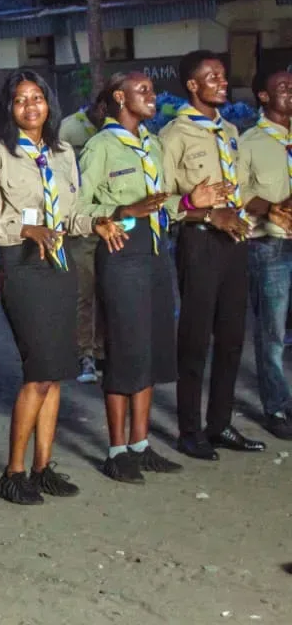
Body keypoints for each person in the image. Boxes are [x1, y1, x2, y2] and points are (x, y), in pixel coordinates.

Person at [0, 70, 124, 505]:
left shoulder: (61, 152)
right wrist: (28, 228)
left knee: (55, 374)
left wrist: (94, 220)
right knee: (37, 371)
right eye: (20, 100)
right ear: (9, 108)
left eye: (37, 97)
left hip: (59, 266)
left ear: (48, 104)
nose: (30, 106)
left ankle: (42, 468)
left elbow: (72, 212)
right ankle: (12, 472)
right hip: (22, 269)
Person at [79, 73, 226, 482]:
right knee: (124, 352)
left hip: (156, 252)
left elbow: (165, 205)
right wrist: (122, 212)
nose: (153, 96)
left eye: (152, 90)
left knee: (150, 350)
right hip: (121, 254)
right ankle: (117, 450)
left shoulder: (152, 143)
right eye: (143, 91)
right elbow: (75, 206)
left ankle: (141, 445)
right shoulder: (100, 147)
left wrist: (191, 201)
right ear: (119, 98)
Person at [160, 50, 266, 459]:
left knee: (233, 339)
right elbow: (160, 201)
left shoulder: (231, 132)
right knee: (195, 339)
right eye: (213, 76)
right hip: (199, 241)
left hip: (234, 242)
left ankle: (219, 425)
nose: (223, 82)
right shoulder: (173, 136)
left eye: (223, 75)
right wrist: (199, 207)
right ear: (192, 85)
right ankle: (190, 432)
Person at [238, 66, 292, 440]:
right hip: (270, 246)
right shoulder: (250, 142)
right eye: (284, 88)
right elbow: (238, 192)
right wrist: (273, 208)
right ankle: (276, 406)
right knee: (272, 331)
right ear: (263, 96)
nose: (291, 92)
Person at [60, 104, 106, 384]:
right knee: (84, 291)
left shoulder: (113, 130)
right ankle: (84, 353)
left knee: (107, 290)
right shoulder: (69, 128)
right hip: (82, 222)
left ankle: (102, 350)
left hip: (109, 220)